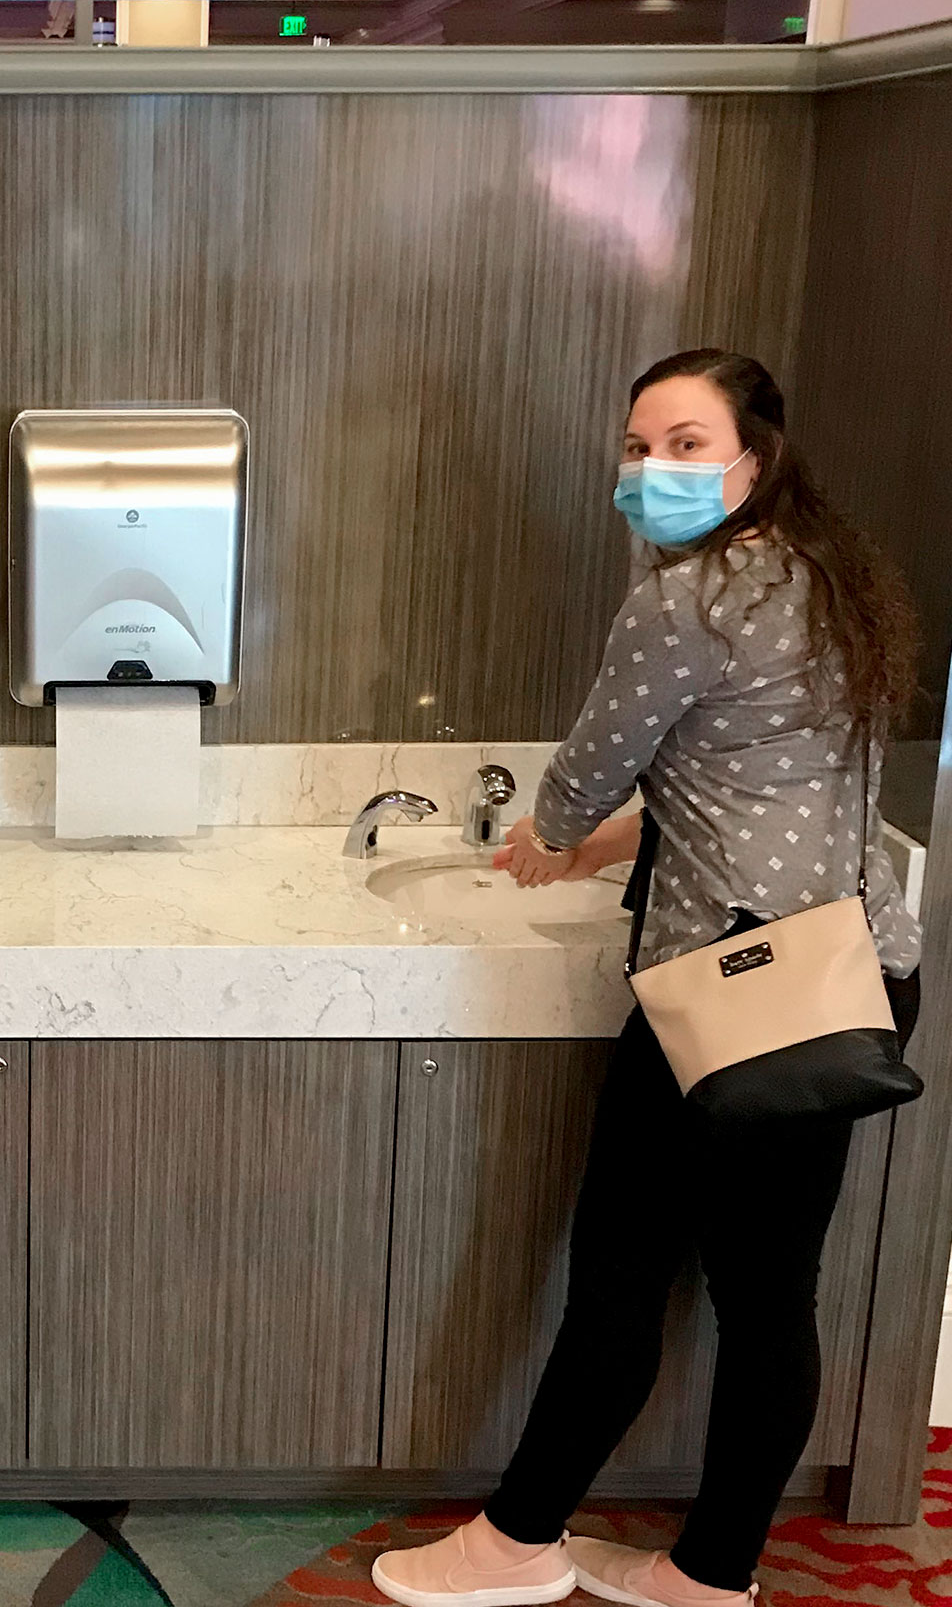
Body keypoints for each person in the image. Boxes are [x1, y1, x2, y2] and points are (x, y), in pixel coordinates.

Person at [371, 348, 922, 1607]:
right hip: (852, 975)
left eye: (683, 445)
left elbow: (590, 768)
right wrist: (609, 845)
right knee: (772, 1295)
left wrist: (554, 833)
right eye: (635, 448)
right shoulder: (827, 579)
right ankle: (711, 1575)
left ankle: (515, 1544)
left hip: (729, 993)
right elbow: (756, 774)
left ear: (755, 457)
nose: (650, 471)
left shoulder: (686, 600)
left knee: (621, 1273)